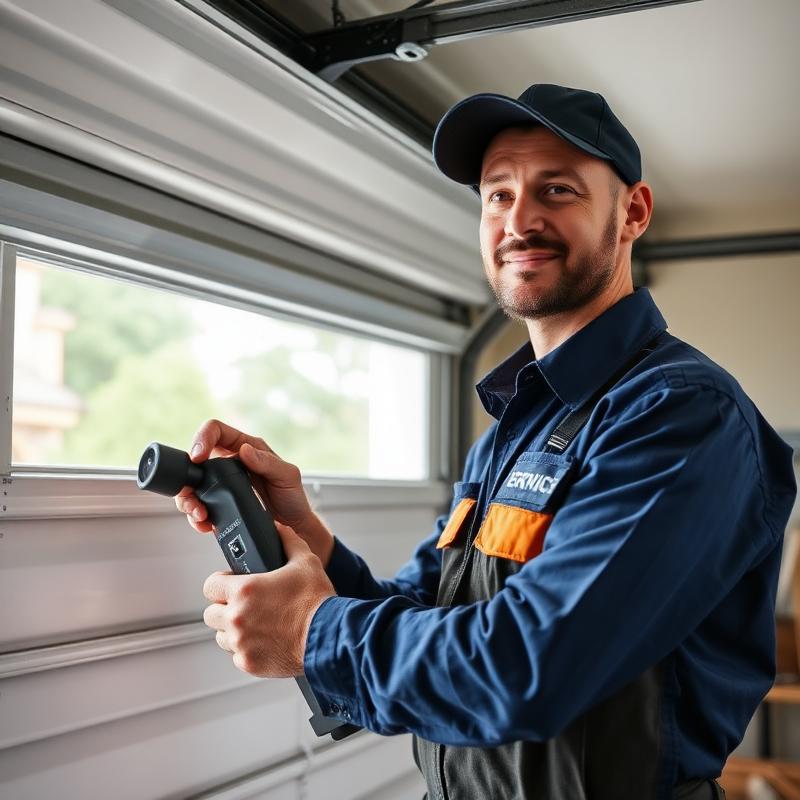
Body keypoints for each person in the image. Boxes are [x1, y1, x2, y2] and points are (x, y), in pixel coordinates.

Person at [175, 84, 797, 799]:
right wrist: (306, 540)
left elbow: (530, 667)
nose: (519, 220)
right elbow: (433, 621)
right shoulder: (514, 430)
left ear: (632, 212)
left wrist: (311, 633)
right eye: (498, 195)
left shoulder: (680, 414)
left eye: (556, 190)